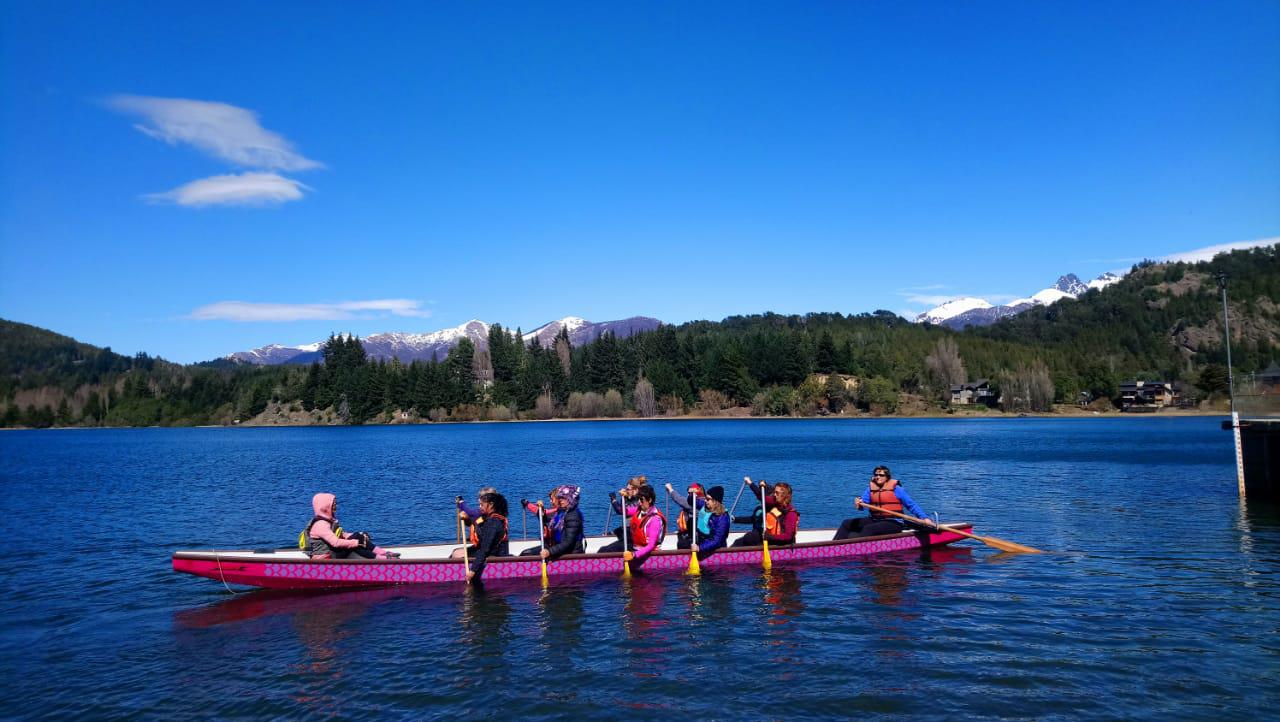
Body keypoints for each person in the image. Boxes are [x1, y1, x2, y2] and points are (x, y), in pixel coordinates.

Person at [833, 466, 935, 539]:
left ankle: (854, 548)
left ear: (887, 477)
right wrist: (859, 503)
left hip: (893, 522)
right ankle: (834, 546)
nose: (878, 477)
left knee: (868, 529)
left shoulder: (897, 489)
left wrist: (924, 518)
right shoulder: (870, 489)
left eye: (881, 475)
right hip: (875, 519)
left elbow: (911, 505)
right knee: (846, 523)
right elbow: (862, 506)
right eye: (876, 474)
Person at [302, 493, 399, 559]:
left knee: (358, 536)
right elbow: (335, 542)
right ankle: (382, 558)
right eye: (333, 504)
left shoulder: (328, 521)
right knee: (355, 544)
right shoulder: (321, 524)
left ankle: (382, 554)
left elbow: (342, 534)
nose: (336, 506)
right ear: (325, 507)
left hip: (332, 552)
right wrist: (356, 543)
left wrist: (359, 537)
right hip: (326, 557)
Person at [600, 484, 666, 569]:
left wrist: (633, 555)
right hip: (635, 547)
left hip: (645, 552)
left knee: (606, 550)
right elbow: (622, 511)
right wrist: (619, 499)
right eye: (638, 499)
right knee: (603, 550)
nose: (639, 502)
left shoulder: (655, 520)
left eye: (641, 500)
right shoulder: (639, 510)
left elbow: (650, 546)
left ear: (649, 500)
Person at [521, 485, 585, 559]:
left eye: (563, 498)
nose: (560, 500)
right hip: (559, 548)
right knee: (525, 554)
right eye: (559, 497)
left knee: (526, 555)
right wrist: (541, 510)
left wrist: (549, 552)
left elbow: (568, 542)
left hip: (570, 554)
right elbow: (547, 521)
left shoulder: (573, 515)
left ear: (571, 499)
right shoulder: (561, 512)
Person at [731, 481, 798, 547]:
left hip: (782, 544)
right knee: (740, 541)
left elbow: (788, 536)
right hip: (771, 539)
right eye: (774, 492)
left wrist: (770, 537)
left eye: (777, 493)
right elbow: (762, 497)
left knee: (750, 537)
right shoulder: (775, 503)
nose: (774, 495)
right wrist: (751, 483)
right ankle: (729, 555)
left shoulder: (791, 514)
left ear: (784, 495)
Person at [463, 492, 510, 583]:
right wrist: (466, 518)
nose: (480, 507)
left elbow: (485, 548)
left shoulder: (493, 522)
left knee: (456, 555)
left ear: (491, 504)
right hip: (486, 550)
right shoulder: (487, 518)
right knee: (456, 552)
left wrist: (473, 570)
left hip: (492, 553)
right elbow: (473, 523)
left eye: (482, 505)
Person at [606, 475, 649, 544]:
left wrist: (614, 500)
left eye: (628, 489)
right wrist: (623, 498)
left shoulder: (639, 501)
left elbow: (621, 511)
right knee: (607, 534)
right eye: (626, 489)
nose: (626, 491)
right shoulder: (628, 499)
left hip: (635, 531)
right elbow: (622, 508)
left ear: (635, 490)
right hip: (627, 528)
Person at [665, 482, 708, 550]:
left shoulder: (693, 504)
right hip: (704, 536)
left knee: (680, 543)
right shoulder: (707, 502)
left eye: (689, 493)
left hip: (696, 537)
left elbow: (678, 499)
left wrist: (670, 489)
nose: (688, 495)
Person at [518, 487, 560, 555]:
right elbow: (539, 512)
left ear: (559, 500)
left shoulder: (558, 514)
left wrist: (541, 509)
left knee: (525, 554)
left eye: (552, 499)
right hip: (549, 545)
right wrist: (527, 503)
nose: (550, 501)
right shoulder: (553, 512)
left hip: (552, 548)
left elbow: (542, 513)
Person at [695, 485, 731, 559]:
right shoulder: (705, 506)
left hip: (715, 549)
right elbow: (692, 501)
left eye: (708, 499)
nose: (705, 500)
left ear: (715, 501)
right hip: (702, 542)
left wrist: (699, 548)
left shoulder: (722, 518)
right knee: (683, 544)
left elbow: (716, 541)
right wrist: (691, 494)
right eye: (705, 498)